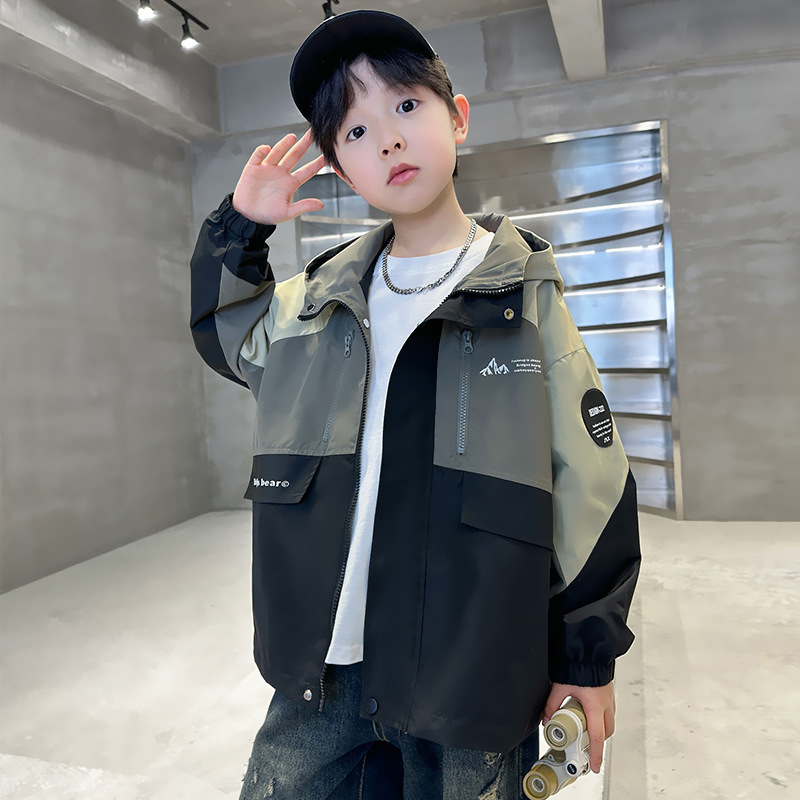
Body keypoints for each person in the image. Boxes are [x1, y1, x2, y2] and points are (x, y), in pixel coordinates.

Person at [189, 9, 641, 799]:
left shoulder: (524, 298)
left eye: (405, 105)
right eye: (357, 132)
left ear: (457, 118)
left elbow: (592, 490)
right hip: (325, 673)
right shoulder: (314, 302)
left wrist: (585, 661)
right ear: (340, 168)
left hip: (469, 672)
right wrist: (239, 229)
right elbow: (230, 334)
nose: (389, 140)